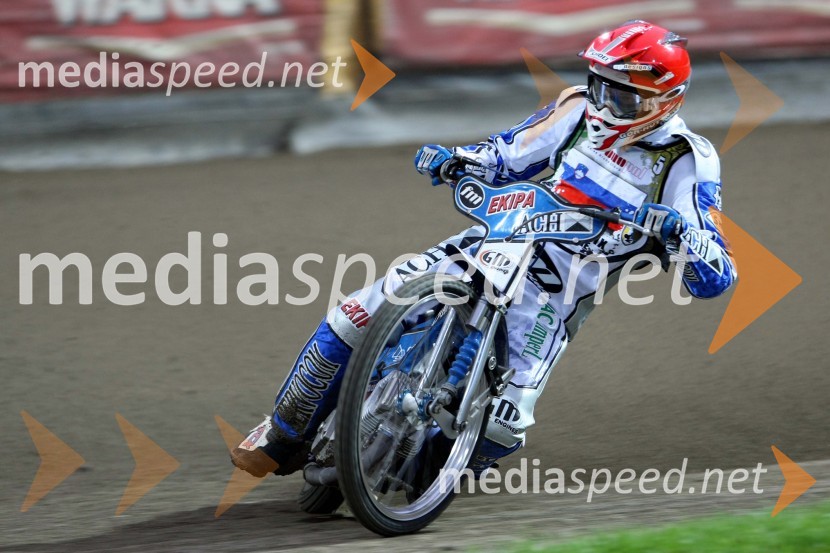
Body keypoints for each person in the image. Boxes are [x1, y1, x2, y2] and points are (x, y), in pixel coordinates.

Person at [230, 20, 737, 479]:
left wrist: (680, 234)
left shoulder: (688, 161)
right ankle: (282, 432)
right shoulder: (575, 108)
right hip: (495, 240)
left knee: (504, 426)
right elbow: (506, 154)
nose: (603, 106)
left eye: (620, 97)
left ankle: (426, 477)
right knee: (356, 313)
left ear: (662, 100)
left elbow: (717, 274)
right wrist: (455, 159)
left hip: (553, 296)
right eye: (600, 87)